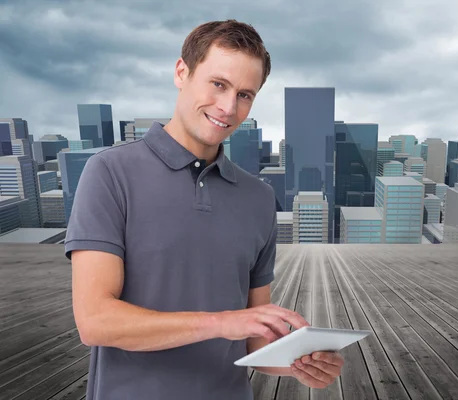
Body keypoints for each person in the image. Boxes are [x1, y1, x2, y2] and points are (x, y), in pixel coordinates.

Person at [66, 19, 344, 399]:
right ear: (182, 72)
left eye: (245, 95)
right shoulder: (110, 173)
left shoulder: (259, 198)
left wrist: (298, 364)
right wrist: (220, 323)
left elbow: (252, 343)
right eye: (218, 84)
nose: (228, 107)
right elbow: (95, 322)